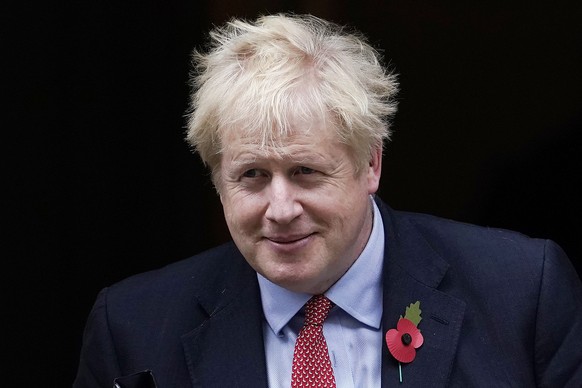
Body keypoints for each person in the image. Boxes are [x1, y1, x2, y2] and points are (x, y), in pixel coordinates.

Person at [74, 13, 582, 387]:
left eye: (305, 172)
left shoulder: (523, 294)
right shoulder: (132, 326)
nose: (280, 208)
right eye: (251, 175)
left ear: (370, 165)